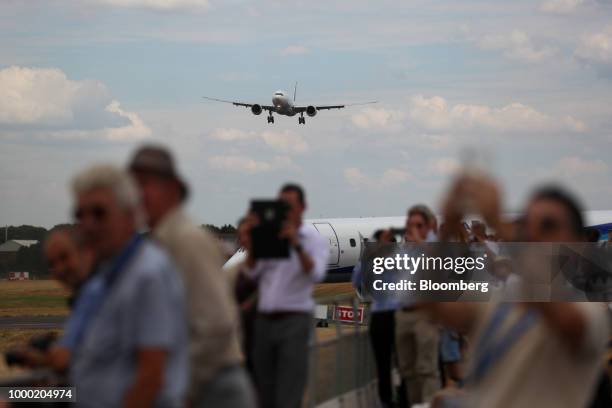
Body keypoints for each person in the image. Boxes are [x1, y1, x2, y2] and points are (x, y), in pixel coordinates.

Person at [430, 177, 609, 408]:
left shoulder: (587, 310)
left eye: (548, 226)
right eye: (528, 226)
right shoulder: (505, 303)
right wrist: (444, 235)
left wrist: (498, 223)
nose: (534, 236)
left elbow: (557, 311)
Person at [128, 145, 254, 408]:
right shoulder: (160, 240)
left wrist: (181, 385)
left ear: (173, 190)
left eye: (146, 184)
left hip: (211, 387)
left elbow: (216, 324)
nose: (136, 194)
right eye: (132, 185)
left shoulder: (186, 241)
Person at [59, 164, 188, 408]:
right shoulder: (102, 283)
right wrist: (22, 396)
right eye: (80, 215)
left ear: (130, 215)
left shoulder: (148, 276)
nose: (88, 225)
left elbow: (150, 379)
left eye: (99, 214)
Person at [244, 183, 329, 408]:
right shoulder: (269, 238)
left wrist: (296, 245)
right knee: (264, 390)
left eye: (290, 205)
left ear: (303, 207)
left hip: (294, 320)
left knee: (289, 390)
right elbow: (252, 272)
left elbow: (316, 274)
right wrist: (253, 243)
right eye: (281, 205)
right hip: (264, 321)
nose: (286, 211)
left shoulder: (313, 238)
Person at [394, 204, 442, 405]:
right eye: (409, 225)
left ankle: (430, 403)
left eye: (418, 225)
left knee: (426, 368)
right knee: (408, 370)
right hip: (404, 312)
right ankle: (416, 404)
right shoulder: (405, 249)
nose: (412, 229)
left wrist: (420, 242)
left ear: (428, 226)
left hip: (425, 314)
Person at [352, 229, 401, 408]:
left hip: (398, 313)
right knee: (383, 362)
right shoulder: (371, 262)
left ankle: (403, 397)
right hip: (380, 315)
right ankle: (386, 400)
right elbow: (355, 282)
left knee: (403, 361)